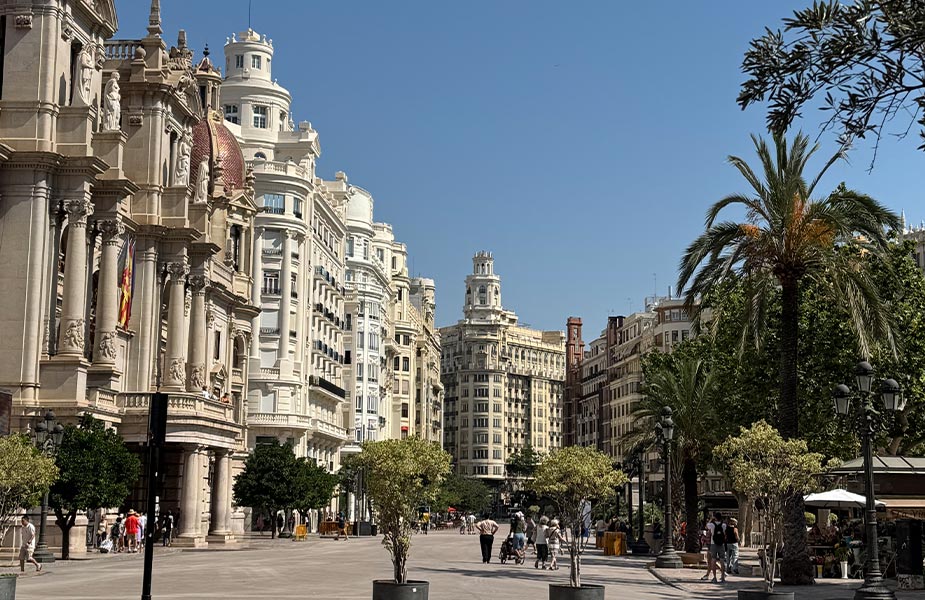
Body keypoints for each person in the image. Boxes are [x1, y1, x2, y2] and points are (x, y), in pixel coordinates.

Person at [700, 512, 726, 583]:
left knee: (713, 560)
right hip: (721, 544)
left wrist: (712, 519)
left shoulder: (711, 525)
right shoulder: (724, 525)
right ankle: (723, 576)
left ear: (715, 518)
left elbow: (706, 526)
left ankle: (714, 577)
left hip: (713, 544)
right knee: (722, 560)